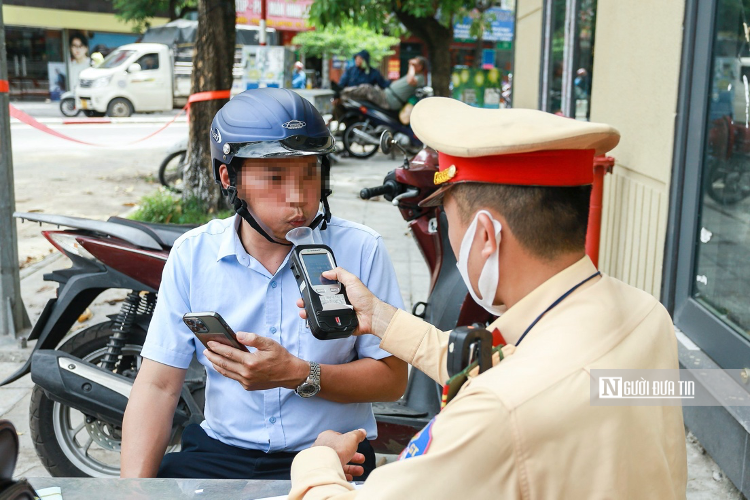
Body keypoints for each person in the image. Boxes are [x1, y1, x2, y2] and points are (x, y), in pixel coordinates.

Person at [288, 99, 688, 498]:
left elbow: (515, 388)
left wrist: (318, 458)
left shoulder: (499, 411)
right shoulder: (646, 315)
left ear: (484, 236)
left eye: (451, 224)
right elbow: (517, 365)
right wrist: (380, 318)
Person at [121, 88, 408, 481]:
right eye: (275, 177)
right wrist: (133, 491)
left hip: (333, 453)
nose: (297, 200)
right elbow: (157, 386)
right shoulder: (193, 255)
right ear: (229, 178)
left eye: (310, 174)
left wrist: (298, 373)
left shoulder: (361, 249)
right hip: (221, 453)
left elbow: (392, 378)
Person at [340, 57, 427, 111]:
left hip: (390, 99)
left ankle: (341, 93)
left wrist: (411, 66)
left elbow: (410, 80)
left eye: (415, 64)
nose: (411, 65)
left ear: (420, 66)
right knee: (365, 90)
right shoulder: (414, 75)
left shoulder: (420, 77)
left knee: (366, 88)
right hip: (387, 94)